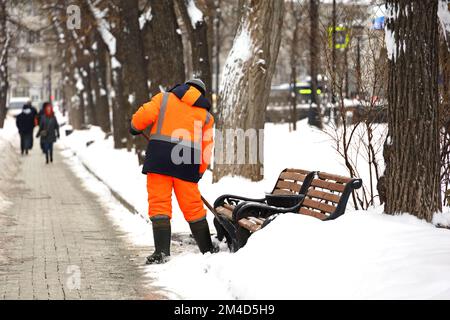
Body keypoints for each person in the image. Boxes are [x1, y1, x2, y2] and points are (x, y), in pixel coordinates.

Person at [130, 79, 215, 265]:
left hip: (159, 158)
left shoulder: (165, 99)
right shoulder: (206, 116)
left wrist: (135, 127)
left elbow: (142, 117)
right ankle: (207, 249)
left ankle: (161, 252)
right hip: (186, 162)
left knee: (159, 202)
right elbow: (207, 147)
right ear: (201, 94)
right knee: (193, 206)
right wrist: (199, 171)